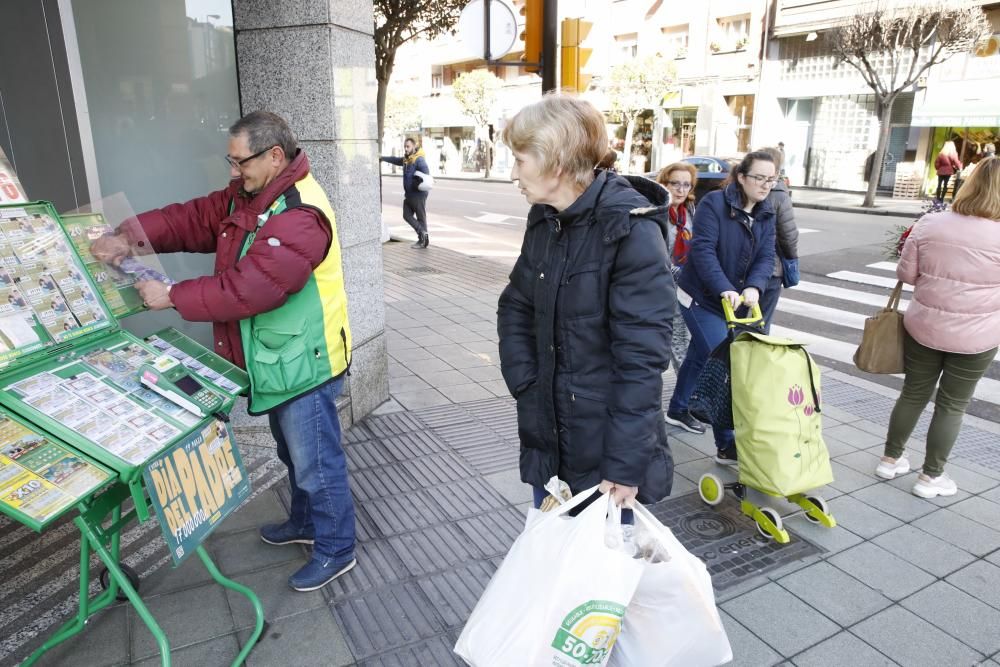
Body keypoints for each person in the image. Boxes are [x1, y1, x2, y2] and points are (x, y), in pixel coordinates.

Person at [90, 111, 357, 592]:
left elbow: (253, 288)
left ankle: (337, 548)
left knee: (316, 461)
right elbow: (191, 218)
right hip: (278, 358)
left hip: (305, 361)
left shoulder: (301, 212)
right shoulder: (252, 194)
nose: (233, 173)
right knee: (293, 453)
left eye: (240, 163)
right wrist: (128, 235)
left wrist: (174, 295)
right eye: (230, 162)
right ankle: (305, 523)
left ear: (275, 156)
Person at [497, 95, 675, 510]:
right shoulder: (545, 216)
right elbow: (515, 305)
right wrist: (527, 383)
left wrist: (624, 467)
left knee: (600, 570)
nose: (512, 174)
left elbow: (641, 362)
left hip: (605, 459)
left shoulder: (631, 232)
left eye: (520, 160)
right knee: (553, 560)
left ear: (555, 162)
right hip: (549, 440)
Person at [875, 156, 1000, 498]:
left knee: (913, 393)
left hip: (925, 327)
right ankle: (931, 478)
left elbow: (906, 274)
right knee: (952, 405)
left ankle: (890, 459)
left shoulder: (931, 223)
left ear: (969, 184)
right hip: (978, 335)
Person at [665, 152, 777, 462]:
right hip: (700, 297)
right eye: (759, 177)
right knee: (729, 365)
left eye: (771, 179)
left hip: (734, 300)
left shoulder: (767, 212)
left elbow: (767, 256)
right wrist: (725, 288)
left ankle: (677, 408)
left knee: (700, 356)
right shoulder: (715, 203)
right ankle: (726, 444)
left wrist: (754, 286)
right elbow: (702, 251)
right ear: (742, 177)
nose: (766, 185)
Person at [655, 162, 698, 378]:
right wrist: (681, 274)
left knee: (684, 345)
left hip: (686, 291)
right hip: (660, 290)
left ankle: (686, 400)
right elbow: (656, 254)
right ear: (664, 184)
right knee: (669, 348)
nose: (681, 190)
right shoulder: (657, 213)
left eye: (686, 185)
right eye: (675, 184)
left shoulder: (688, 213)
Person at [757, 146, 799, 333]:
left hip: (743, 268)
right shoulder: (780, 196)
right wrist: (791, 260)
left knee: (737, 321)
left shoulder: (743, 190)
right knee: (762, 322)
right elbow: (788, 236)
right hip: (772, 270)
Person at [380, 138, 431, 248]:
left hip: (418, 194)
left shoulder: (418, 159)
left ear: (413, 146)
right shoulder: (406, 160)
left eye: (408, 146)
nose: (406, 149)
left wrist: (415, 183)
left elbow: (426, 174)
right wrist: (382, 158)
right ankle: (422, 233)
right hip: (409, 195)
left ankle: (423, 240)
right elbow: (395, 160)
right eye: (405, 147)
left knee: (421, 218)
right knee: (407, 215)